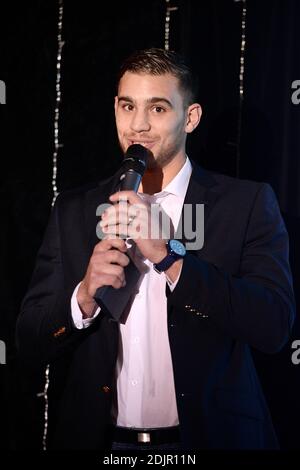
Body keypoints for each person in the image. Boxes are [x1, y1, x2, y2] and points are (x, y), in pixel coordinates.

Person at [16, 48, 295, 451]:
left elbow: (273, 324)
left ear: (191, 117)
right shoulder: (75, 209)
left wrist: (169, 258)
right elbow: (29, 340)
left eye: (159, 108)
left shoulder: (245, 204)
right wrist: (83, 296)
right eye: (128, 106)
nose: (138, 125)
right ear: (115, 108)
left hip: (208, 441)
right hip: (104, 444)